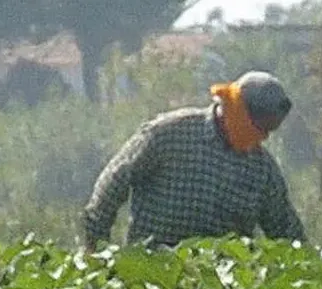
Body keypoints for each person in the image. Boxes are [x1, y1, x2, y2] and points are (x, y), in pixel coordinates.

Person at [82, 71, 304, 250]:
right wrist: (95, 244)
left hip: (222, 287)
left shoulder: (261, 168)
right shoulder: (169, 134)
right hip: (153, 273)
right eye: (260, 128)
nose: (263, 137)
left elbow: (285, 228)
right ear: (235, 108)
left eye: (269, 131)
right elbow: (115, 180)